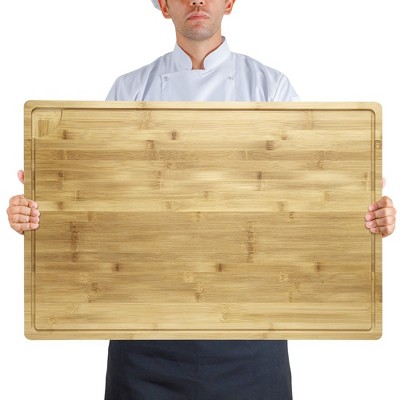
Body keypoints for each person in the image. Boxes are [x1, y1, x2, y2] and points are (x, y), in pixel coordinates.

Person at [6, 1, 397, 399]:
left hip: (253, 336)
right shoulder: (128, 90)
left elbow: (309, 201)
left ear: (229, 2)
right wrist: (35, 213)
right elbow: (91, 207)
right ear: (163, 6)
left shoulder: (271, 88)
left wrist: (366, 214)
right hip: (142, 338)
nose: (196, 0)